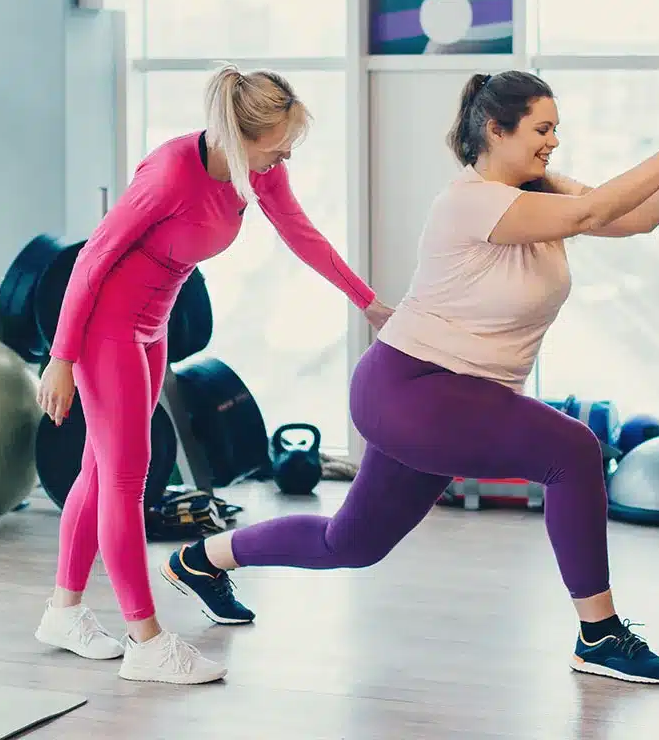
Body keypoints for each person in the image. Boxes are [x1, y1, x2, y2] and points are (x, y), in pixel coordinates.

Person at [159, 70, 659, 685]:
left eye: (556, 130)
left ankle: (201, 559)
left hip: (444, 397)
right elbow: (596, 210)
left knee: (352, 544)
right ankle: (599, 635)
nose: (553, 142)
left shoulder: (542, 190)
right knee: (574, 451)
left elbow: (634, 217)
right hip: (411, 386)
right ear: (496, 130)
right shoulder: (472, 201)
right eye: (542, 129)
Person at [31, 64, 393, 686]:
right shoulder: (171, 172)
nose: (285, 154)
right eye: (277, 142)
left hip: (152, 326)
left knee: (100, 469)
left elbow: (302, 235)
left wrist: (368, 303)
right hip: (106, 330)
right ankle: (145, 638)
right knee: (124, 477)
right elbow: (93, 259)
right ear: (237, 134)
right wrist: (61, 357)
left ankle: (63, 611)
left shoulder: (260, 173)